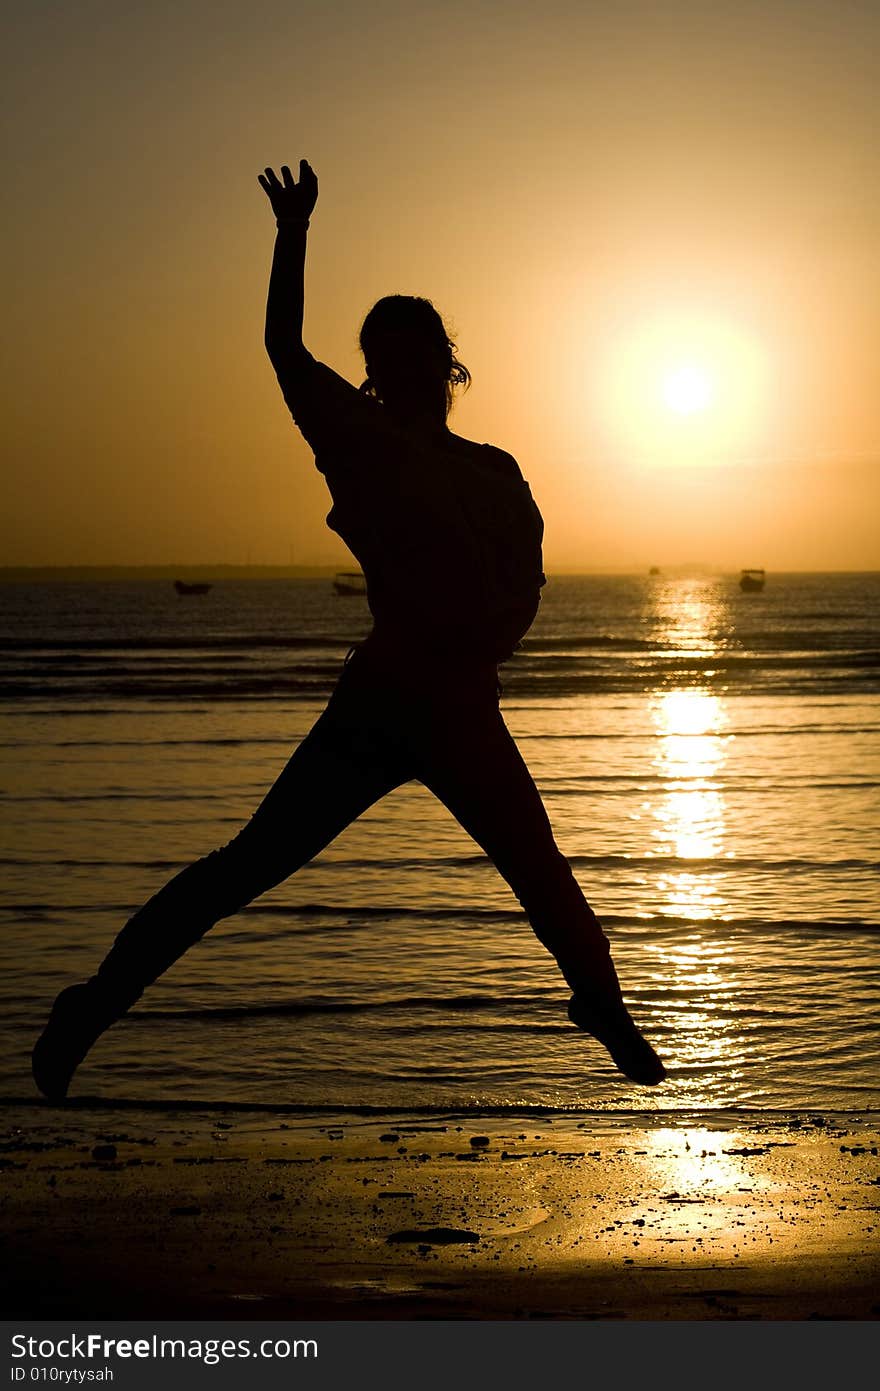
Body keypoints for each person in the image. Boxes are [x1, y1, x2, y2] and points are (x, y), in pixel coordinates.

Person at [32, 160, 665, 1102]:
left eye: (418, 352)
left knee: (542, 874)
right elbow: (284, 348)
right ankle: (93, 1005)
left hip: (462, 708)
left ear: (446, 363)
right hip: (379, 702)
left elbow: (526, 575)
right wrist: (293, 237)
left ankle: (602, 1005)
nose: (401, 369)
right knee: (246, 866)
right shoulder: (357, 440)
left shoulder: (495, 468)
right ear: (373, 369)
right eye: (383, 355)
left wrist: (494, 631)